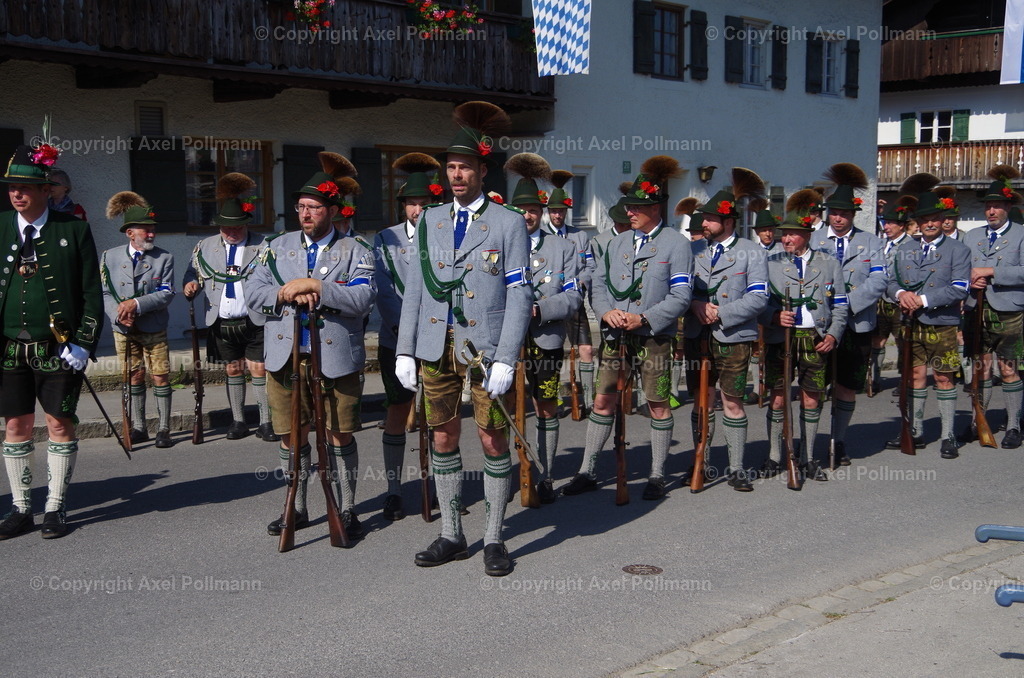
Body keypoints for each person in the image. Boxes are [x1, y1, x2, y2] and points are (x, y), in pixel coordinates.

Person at [394, 102, 532, 577]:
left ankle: (494, 537)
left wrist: (507, 356)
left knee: (493, 440)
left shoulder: (507, 221)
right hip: (435, 348)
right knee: (442, 435)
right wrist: (404, 348)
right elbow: (415, 288)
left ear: (481, 170)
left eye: (464, 168)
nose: (456, 175)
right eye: (451, 168)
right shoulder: (430, 220)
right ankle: (453, 533)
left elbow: (518, 290)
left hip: (485, 351)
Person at [247, 151, 376, 540]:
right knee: (291, 434)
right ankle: (297, 506)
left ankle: (347, 507)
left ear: (332, 210)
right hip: (286, 355)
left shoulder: (356, 249)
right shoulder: (274, 246)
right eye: (301, 207)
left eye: (314, 207)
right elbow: (252, 293)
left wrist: (319, 287)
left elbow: (363, 298)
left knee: (340, 434)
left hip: (335, 356)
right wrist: (287, 294)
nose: (305, 214)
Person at [562, 155, 693, 501]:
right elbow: (599, 287)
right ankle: (587, 470)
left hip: (653, 337)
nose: (629, 213)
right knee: (603, 401)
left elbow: (681, 295)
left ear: (655, 209)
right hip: (615, 336)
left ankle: (656, 474)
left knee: (657, 404)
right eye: (628, 207)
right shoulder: (615, 243)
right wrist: (606, 313)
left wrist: (645, 318)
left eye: (636, 207)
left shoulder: (676, 244)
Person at [0, 144, 102, 540]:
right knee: (15, 425)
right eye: (12, 187)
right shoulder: (0, 226)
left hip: (58, 348)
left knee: (59, 424)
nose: (16, 193)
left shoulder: (72, 229)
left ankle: (55, 507)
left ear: (46, 189)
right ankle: (21, 508)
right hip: (10, 347)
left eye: (25, 186)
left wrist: (83, 343)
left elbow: (92, 292)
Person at [682, 169, 769, 491]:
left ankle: (736, 467)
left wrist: (721, 313)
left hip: (733, 335)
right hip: (696, 334)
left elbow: (759, 296)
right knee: (700, 400)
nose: (703, 223)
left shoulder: (752, 251)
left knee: (732, 401)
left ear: (728, 221)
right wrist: (695, 306)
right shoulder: (692, 251)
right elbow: (678, 289)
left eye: (709, 219)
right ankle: (700, 461)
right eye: (703, 218)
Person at [505, 153, 582, 503]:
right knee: (505, 408)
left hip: (546, 338)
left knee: (545, 406)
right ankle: (513, 472)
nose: (528, 215)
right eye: (522, 209)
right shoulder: (500, 248)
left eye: (534, 209)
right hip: (506, 342)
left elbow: (573, 296)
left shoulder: (563, 248)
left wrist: (541, 308)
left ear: (542, 211)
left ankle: (546, 473)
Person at [759, 191, 848, 481]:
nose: (786, 239)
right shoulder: (769, 263)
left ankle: (808, 458)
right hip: (780, 338)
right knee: (778, 398)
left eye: (793, 235)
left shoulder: (828, 262)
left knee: (812, 398)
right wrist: (773, 316)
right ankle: (775, 456)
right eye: (784, 234)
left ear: (807, 235)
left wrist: (834, 334)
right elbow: (757, 303)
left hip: (815, 337)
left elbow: (841, 303)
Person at [373, 151, 441, 521]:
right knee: (398, 409)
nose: (418, 209)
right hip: (396, 338)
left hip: (434, 339)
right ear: (403, 206)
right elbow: (383, 290)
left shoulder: (444, 233)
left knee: (438, 413)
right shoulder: (385, 238)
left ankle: (441, 486)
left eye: (424, 203)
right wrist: (405, 334)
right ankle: (394, 489)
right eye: (412, 204)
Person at [183, 172, 276, 442]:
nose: (232, 233)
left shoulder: (263, 245)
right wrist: (190, 285)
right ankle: (238, 421)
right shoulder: (204, 246)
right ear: (219, 226)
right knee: (233, 368)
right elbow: (194, 273)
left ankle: (266, 422)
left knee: (259, 368)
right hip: (221, 319)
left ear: (246, 225)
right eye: (227, 229)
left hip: (255, 318)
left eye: (237, 228)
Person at [884, 189, 970, 458]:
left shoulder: (958, 249)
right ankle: (916, 431)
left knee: (944, 378)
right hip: (911, 323)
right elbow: (890, 281)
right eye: (924, 220)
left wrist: (921, 299)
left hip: (942, 322)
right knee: (915, 377)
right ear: (917, 224)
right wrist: (901, 294)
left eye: (934, 218)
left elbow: (960, 288)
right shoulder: (906, 248)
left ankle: (948, 435)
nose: (930, 224)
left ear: (942, 219)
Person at [810, 163, 886, 467]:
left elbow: (879, 280)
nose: (838, 218)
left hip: (856, 323)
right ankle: (811, 442)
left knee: (846, 386)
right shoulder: (814, 241)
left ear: (853, 215)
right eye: (834, 213)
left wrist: (845, 304)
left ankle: (837, 440)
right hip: (821, 325)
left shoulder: (870, 242)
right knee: (814, 385)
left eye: (844, 213)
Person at [101, 191, 176, 448]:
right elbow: (104, 292)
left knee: (160, 375)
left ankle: (164, 428)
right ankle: (140, 427)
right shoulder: (109, 257)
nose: (152, 234)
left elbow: (166, 293)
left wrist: (135, 304)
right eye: (146, 230)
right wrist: (118, 313)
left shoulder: (164, 257)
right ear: (130, 233)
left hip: (153, 326)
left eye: (153, 229)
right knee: (133, 375)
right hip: (123, 328)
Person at [959, 164, 1024, 449]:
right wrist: (970, 282)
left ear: (1008, 207)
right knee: (980, 368)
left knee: (1009, 368)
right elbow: (960, 268)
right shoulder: (972, 236)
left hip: (1010, 310)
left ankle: (1013, 425)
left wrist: (992, 272)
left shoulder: (1021, 234)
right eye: (988, 206)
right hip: (976, 308)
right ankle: (978, 421)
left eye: (997, 206)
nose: (991, 211)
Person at [546, 169, 594, 416]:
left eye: (561, 211)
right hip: (551, 302)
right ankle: (551, 398)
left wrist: (580, 282)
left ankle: (587, 400)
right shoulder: (541, 237)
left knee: (585, 350)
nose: (557, 214)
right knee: (552, 352)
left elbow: (590, 266)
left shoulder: (580, 236)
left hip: (574, 300)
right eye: (554, 211)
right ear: (548, 212)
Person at [870, 192, 918, 394]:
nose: (886, 227)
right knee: (877, 340)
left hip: (900, 299)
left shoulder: (912, 245)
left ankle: (905, 380)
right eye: (885, 223)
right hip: (880, 299)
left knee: (902, 341)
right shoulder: (881, 244)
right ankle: (874, 378)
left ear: (901, 225)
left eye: (890, 223)